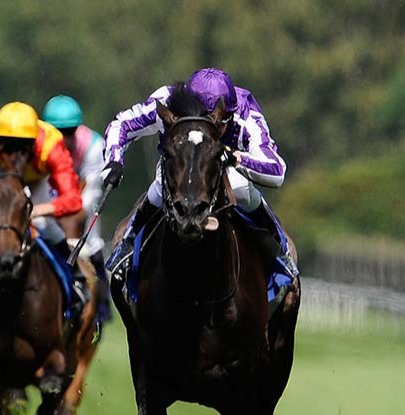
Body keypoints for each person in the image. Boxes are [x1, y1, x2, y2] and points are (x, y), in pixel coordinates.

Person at [101, 67, 297, 280]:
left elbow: (276, 169)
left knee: (241, 189)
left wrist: (237, 157)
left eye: (221, 122)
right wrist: (114, 160)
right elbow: (122, 124)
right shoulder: (168, 101)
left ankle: (280, 248)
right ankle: (127, 245)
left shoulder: (244, 114)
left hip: (225, 169)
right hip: (179, 165)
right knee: (159, 188)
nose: (216, 129)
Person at [0, 101, 85, 305]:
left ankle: (76, 282)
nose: (13, 155)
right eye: (7, 147)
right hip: (0, 189)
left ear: (33, 144)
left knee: (50, 230)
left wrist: (38, 210)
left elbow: (73, 199)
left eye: (21, 148)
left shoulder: (51, 144)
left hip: (37, 186)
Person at [39, 95, 111, 321]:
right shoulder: (38, 145)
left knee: (94, 246)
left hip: (79, 202)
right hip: (49, 197)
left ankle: (101, 308)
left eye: (70, 131)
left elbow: (90, 196)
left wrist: (59, 209)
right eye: (58, 132)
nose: (64, 138)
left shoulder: (95, 147)